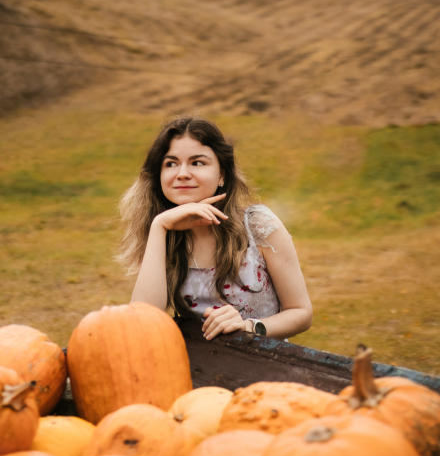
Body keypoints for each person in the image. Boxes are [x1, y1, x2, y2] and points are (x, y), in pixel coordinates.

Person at [117, 117, 312, 340]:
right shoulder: (163, 234)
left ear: (221, 174)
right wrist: (159, 227)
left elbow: (301, 312)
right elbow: (143, 320)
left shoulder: (258, 226)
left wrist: (248, 326)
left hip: (265, 362)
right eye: (170, 163)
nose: (182, 173)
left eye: (197, 162)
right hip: (198, 366)